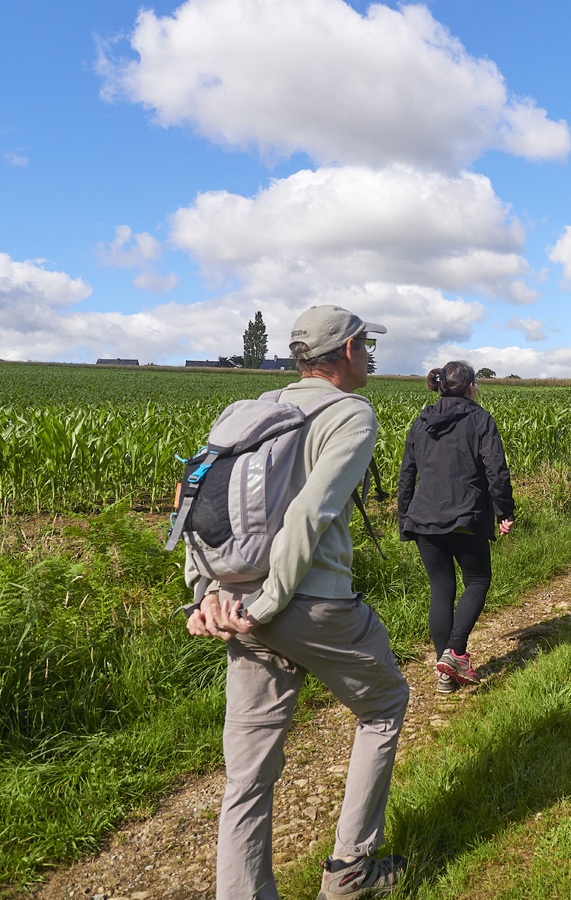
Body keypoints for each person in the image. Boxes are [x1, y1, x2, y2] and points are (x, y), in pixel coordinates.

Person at [185, 305, 409, 900]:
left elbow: (196, 496)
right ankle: (349, 874)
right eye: (367, 345)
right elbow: (312, 513)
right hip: (309, 604)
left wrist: (206, 592)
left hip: (236, 605)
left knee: (248, 774)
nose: (372, 356)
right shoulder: (350, 414)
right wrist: (270, 601)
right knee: (385, 706)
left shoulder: (254, 409)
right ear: (347, 351)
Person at [396, 360, 515, 693]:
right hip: (466, 516)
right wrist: (504, 510)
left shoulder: (421, 422)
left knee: (441, 589)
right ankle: (455, 652)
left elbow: (407, 474)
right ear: (471, 387)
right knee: (477, 580)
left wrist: (405, 517)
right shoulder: (479, 418)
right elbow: (496, 470)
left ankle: (445, 673)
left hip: (424, 519)